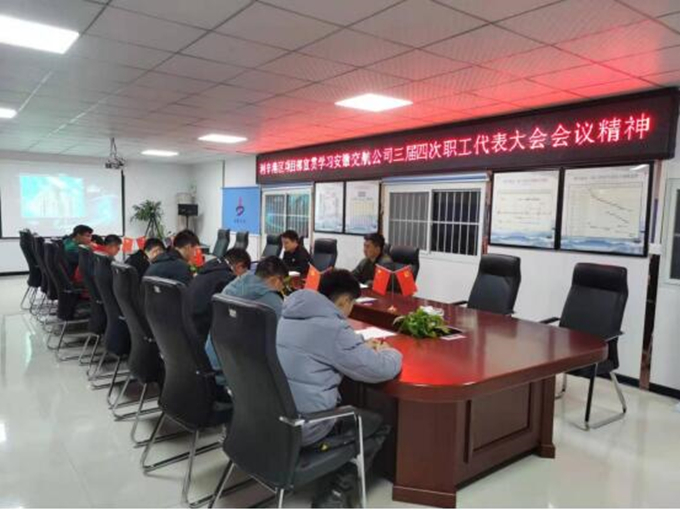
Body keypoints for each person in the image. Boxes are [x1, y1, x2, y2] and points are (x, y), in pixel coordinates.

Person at [276, 269, 403, 508]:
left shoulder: (289, 315)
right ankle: (335, 493)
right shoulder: (333, 329)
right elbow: (380, 369)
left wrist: (357, 345)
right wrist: (391, 352)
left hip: (274, 417)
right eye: (352, 304)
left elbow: (321, 346)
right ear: (344, 300)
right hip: (306, 425)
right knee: (378, 422)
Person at [205, 255, 288, 373]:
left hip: (214, 359)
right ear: (275, 279)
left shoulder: (235, 285)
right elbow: (284, 335)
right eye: (283, 282)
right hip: (232, 372)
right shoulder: (271, 300)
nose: (283, 287)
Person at [188, 248, 251, 341]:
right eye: (244, 274)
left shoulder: (206, 270)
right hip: (204, 336)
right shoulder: (228, 279)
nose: (241, 279)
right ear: (239, 266)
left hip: (188, 331)